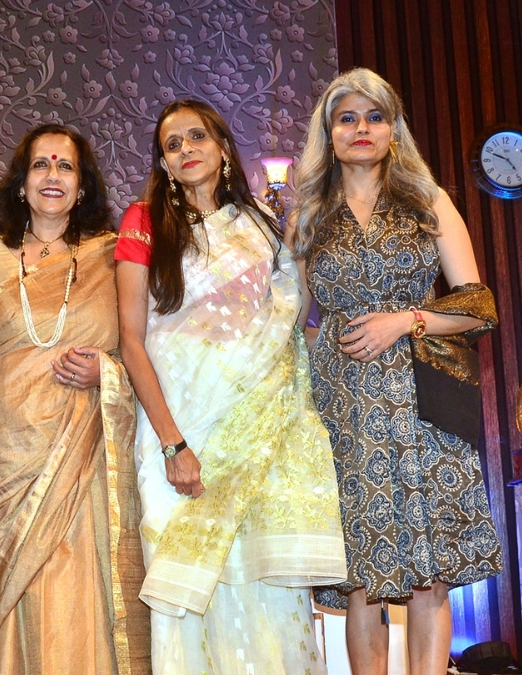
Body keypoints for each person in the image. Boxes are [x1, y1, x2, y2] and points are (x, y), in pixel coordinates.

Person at [114, 99, 347, 674]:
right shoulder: (143, 221)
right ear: (164, 164)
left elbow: (289, 324)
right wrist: (173, 443)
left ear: (222, 147)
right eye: (172, 145)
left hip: (258, 429)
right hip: (181, 426)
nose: (186, 150)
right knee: (188, 592)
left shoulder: (262, 224)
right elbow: (131, 341)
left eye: (197, 137)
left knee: (265, 588)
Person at [291, 67, 503, 675]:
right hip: (342, 406)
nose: (361, 128)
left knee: (428, 573)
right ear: (329, 134)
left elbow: (479, 305)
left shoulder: (428, 201)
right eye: (346, 118)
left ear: (393, 129)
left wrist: (404, 320)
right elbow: (295, 320)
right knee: (362, 575)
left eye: (374, 116)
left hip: (423, 398)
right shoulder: (308, 214)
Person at [0, 123, 151, 675]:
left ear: (83, 186)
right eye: (41, 165)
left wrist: (107, 372)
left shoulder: (113, 258)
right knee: (3, 600)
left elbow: (148, 348)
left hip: (81, 453)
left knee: (76, 592)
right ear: (21, 184)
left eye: (66, 166)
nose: (53, 176)